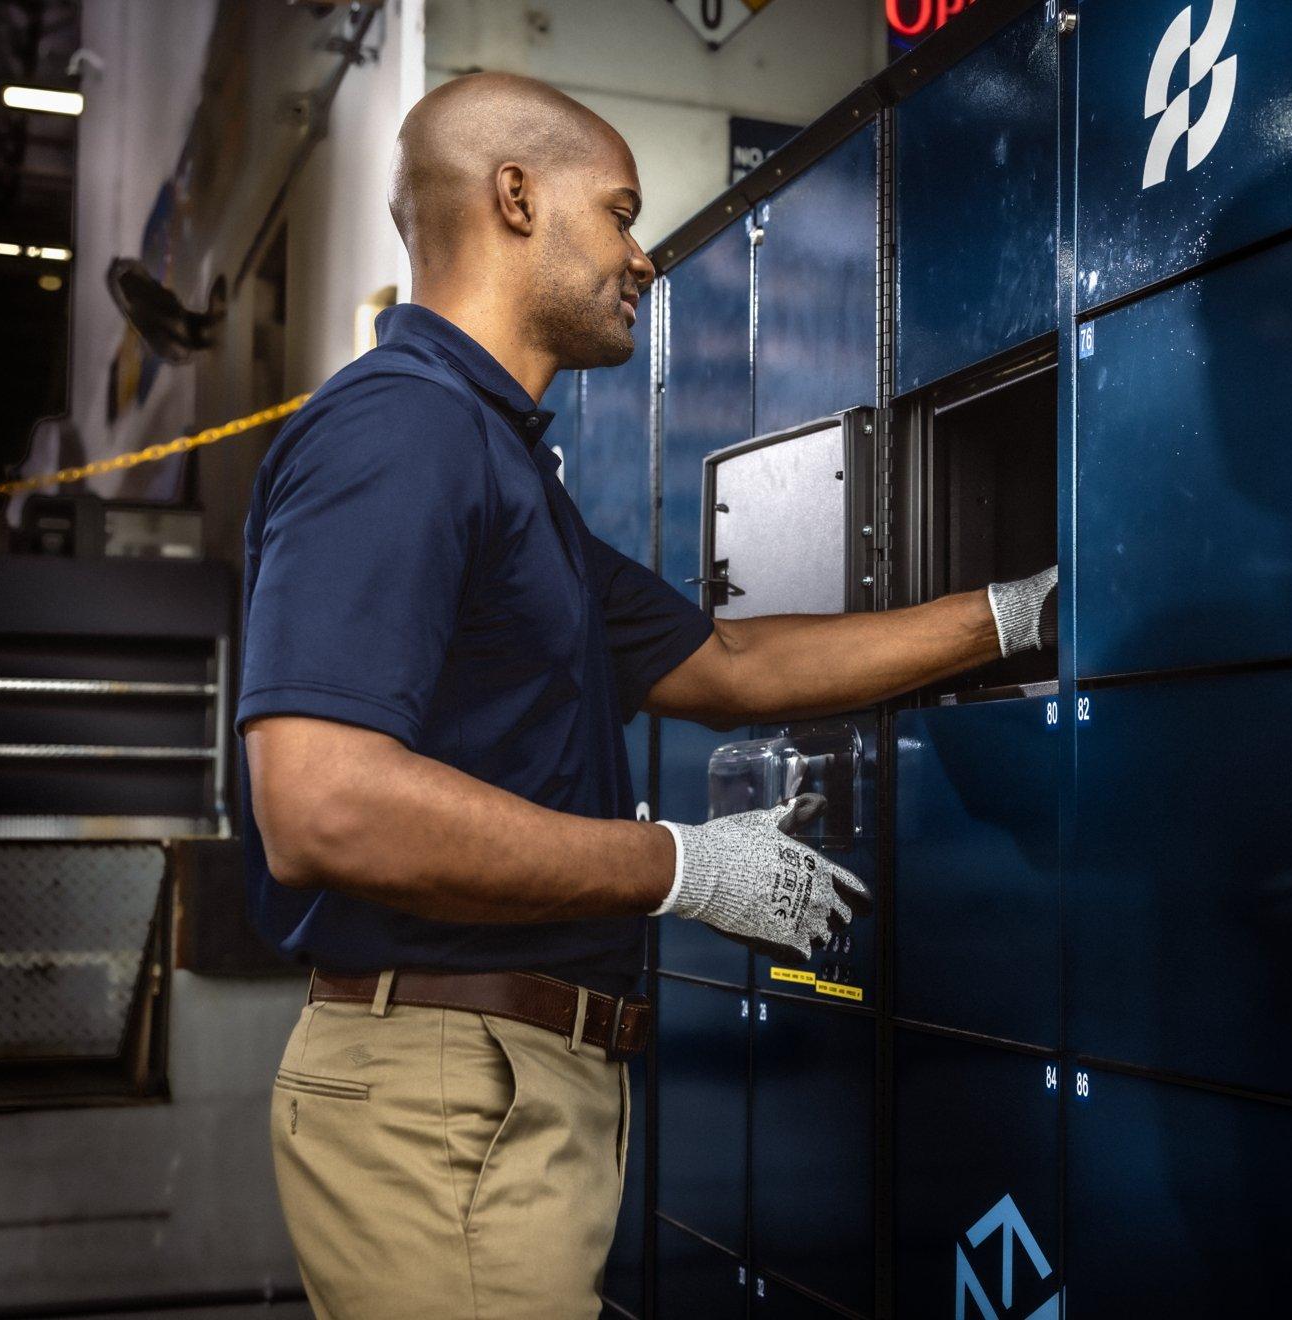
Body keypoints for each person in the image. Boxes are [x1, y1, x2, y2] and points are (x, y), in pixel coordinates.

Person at [237, 72, 1056, 1318]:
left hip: (506, 1081)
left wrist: (1015, 614)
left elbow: (728, 669)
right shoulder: (399, 434)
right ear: (515, 197)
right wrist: (676, 864)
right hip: (445, 1088)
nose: (643, 256)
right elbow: (323, 802)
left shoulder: (500, 468)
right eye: (619, 212)